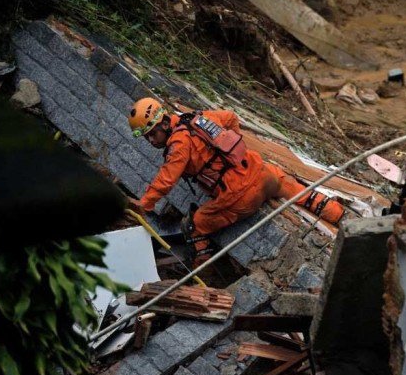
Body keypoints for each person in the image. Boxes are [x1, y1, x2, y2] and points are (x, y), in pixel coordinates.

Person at [126, 98, 345, 264]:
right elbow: (230, 117)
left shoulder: (178, 144)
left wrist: (144, 205)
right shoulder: (197, 118)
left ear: (164, 124)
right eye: (146, 137)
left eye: (152, 134)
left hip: (239, 197)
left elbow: (166, 180)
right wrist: (233, 153)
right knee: (302, 193)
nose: (151, 140)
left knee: (194, 226)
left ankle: (204, 275)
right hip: (261, 172)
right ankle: (340, 216)